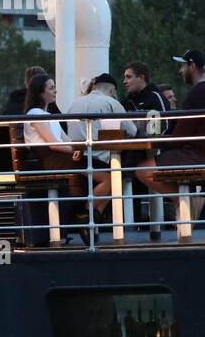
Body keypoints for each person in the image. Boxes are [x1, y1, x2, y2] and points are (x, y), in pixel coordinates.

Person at [65, 73, 135, 224]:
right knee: (116, 179)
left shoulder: (74, 103)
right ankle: (86, 213)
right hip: (99, 159)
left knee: (119, 178)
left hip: (77, 158)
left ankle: (94, 216)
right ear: (112, 90)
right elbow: (132, 130)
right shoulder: (111, 102)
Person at [137, 50, 205, 194]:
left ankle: (182, 202)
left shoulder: (198, 92)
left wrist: (159, 140)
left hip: (196, 155)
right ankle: (188, 202)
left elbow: (181, 135)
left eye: (183, 66)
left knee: (142, 171)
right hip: (197, 153)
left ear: (192, 66)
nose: (180, 71)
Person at [22, 74, 90, 210]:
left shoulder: (47, 115)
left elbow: (67, 140)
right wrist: (76, 149)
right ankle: (85, 214)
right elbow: (53, 144)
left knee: (96, 167)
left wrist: (78, 148)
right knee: (102, 171)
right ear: (40, 92)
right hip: (51, 159)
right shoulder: (35, 114)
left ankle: (85, 214)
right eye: (51, 88)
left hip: (60, 157)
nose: (55, 91)